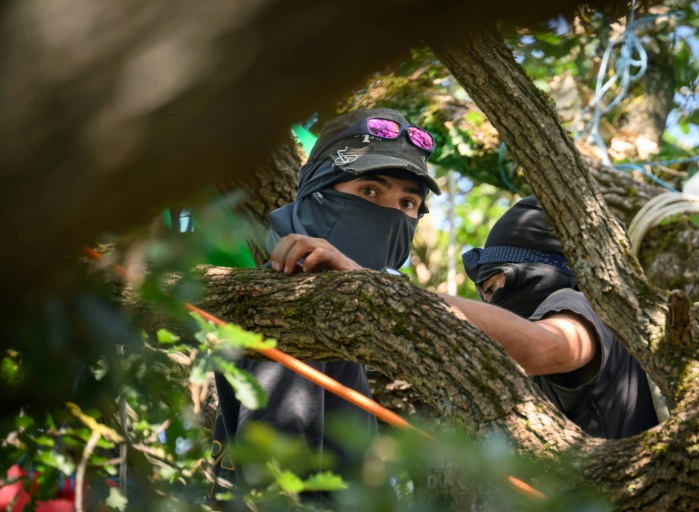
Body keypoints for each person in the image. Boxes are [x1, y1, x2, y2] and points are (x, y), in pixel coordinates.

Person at [209, 108, 441, 499]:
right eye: (370, 191)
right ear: (318, 194)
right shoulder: (298, 294)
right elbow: (274, 481)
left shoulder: (329, 303)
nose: (390, 213)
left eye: (407, 203)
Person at [440, 195, 659, 439]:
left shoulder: (575, 303)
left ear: (536, 269)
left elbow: (544, 346)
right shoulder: (620, 322)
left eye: (491, 288)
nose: (489, 303)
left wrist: (434, 308)